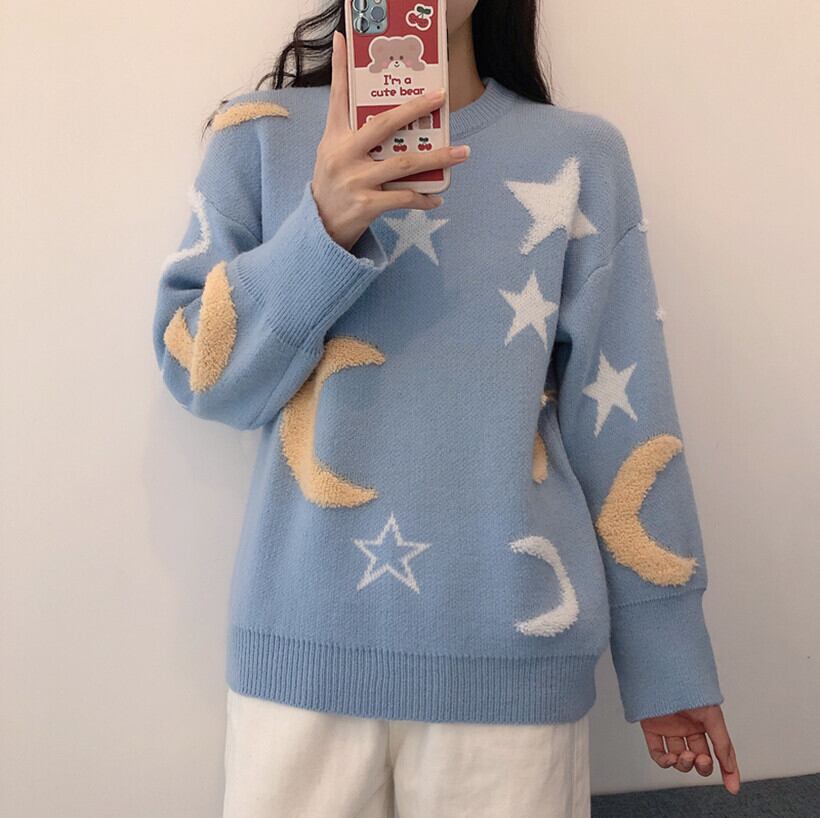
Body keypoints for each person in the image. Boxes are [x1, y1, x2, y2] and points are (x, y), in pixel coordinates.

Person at [151, 1, 740, 815]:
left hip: (511, 662)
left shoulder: (579, 157)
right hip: (301, 660)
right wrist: (322, 226)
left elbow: (626, 417)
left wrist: (666, 655)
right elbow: (201, 374)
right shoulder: (258, 137)